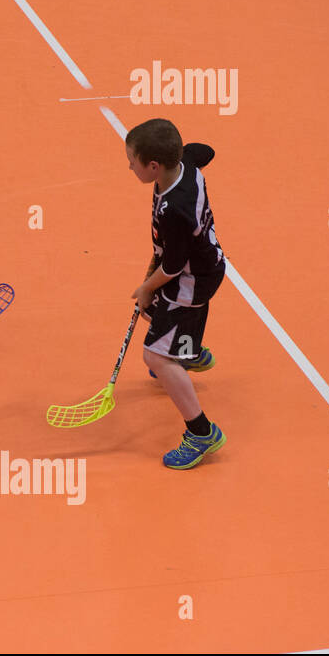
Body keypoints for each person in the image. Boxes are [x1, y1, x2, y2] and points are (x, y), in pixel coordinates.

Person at [126, 118, 227, 470]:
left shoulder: (175, 210)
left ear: (153, 166)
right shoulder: (185, 164)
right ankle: (189, 352)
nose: (129, 166)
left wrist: (145, 287)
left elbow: (172, 265)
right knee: (161, 313)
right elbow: (206, 151)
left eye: (133, 161)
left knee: (154, 357)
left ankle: (201, 433)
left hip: (189, 278)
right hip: (205, 267)